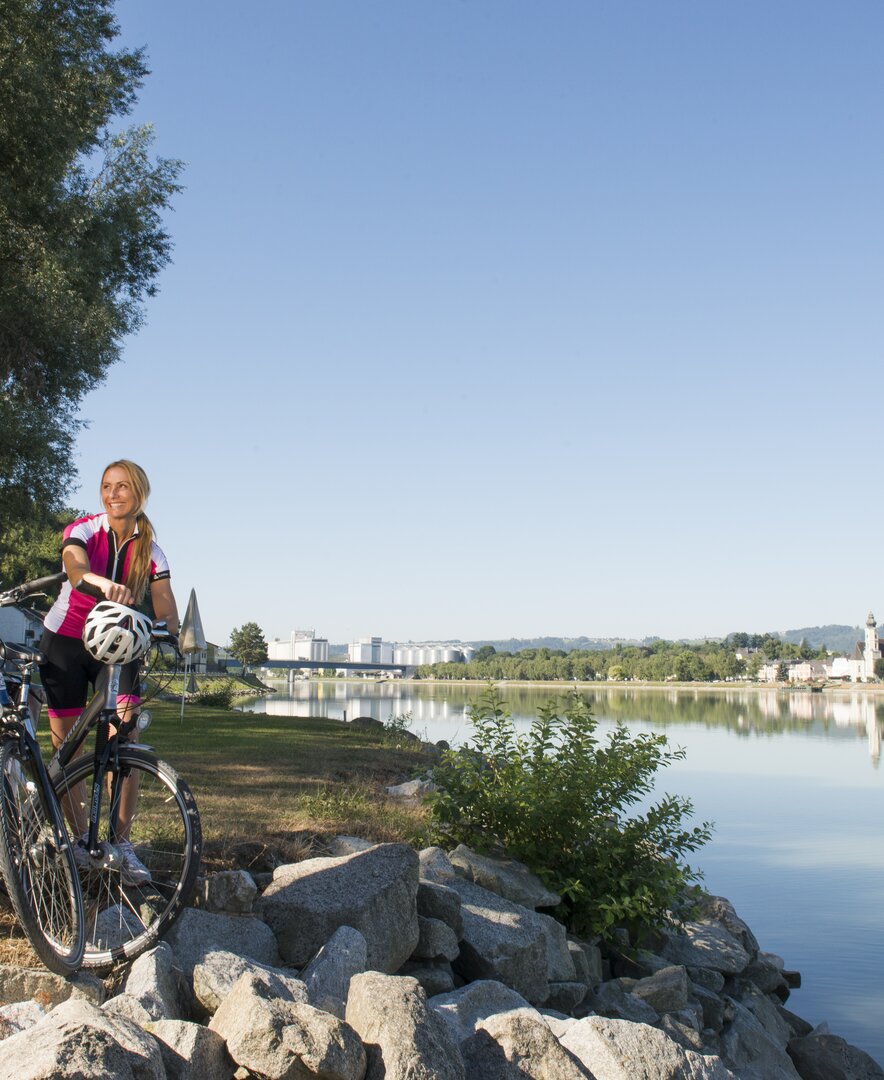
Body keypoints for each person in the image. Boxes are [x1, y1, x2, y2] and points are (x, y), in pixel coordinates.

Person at [40, 459, 179, 883]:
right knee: (68, 750)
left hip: (118, 647)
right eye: (106, 486)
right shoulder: (83, 529)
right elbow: (75, 568)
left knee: (125, 741)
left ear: (139, 493)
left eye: (122, 487)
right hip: (64, 641)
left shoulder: (151, 551)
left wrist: (165, 628)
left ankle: (121, 842)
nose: (112, 493)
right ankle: (81, 842)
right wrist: (101, 584)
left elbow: (165, 604)